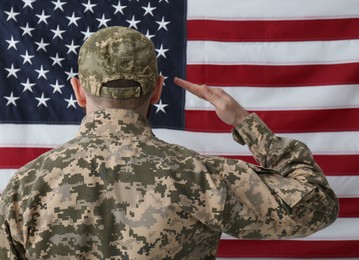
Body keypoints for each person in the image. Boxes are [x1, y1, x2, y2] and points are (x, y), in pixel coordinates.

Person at [0, 26, 338, 259]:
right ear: (158, 90)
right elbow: (318, 205)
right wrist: (245, 124)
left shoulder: (25, 186)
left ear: (78, 92)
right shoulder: (201, 176)